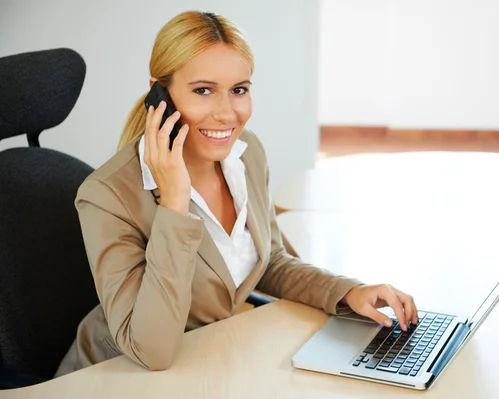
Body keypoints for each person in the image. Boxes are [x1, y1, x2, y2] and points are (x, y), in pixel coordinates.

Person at [55, 10, 418, 377]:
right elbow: (153, 351)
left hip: (208, 362)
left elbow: (267, 260)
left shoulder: (247, 154)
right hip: (111, 378)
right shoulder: (107, 196)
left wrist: (347, 292)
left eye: (239, 90)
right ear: (158, 94)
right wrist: (175, 203)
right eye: (203, 90)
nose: (227, 114)